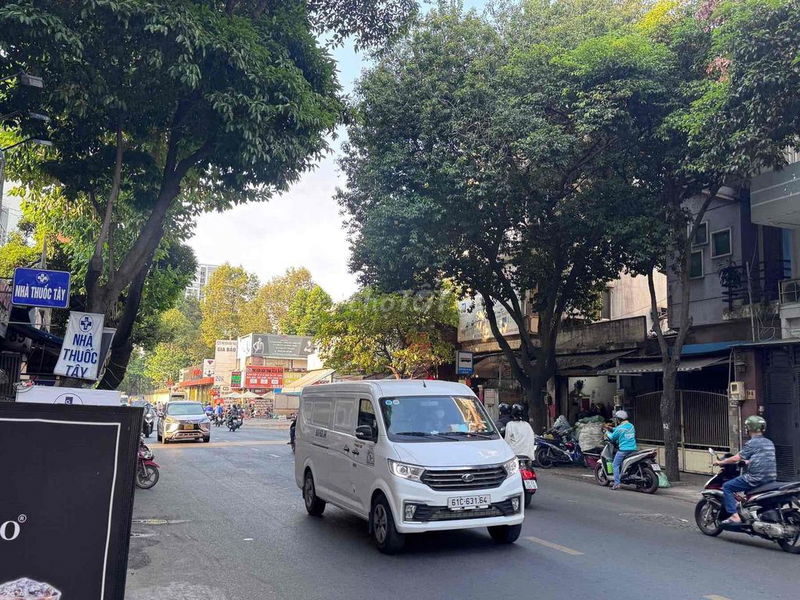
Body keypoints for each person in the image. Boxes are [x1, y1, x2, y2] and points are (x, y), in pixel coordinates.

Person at [714, 415, 776, 525]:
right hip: (771, 478)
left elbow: (736, 458)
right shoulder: (769, 442)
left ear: (749, 428)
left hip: (755, 478)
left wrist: (721, 462)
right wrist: (748, 462)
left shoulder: (752, 443)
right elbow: (763, 458)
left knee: (727, 487)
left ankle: (734, 516)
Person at [605, 410, 637, 490]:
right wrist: (611, 428)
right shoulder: (631, 426)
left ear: (619, 419)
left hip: (624, 450)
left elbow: (612, 438)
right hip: (633, 449)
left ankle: (617, 483)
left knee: (615, 465)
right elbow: (619, 430)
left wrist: (607, 432)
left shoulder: (620, 428)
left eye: (617, 419)